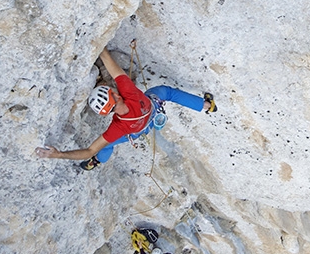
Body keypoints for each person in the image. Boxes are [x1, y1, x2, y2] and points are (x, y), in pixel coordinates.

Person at [36, 46, 216, 169]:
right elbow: (109, 62)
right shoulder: (129, 94)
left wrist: (59, 155)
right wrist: (99, 44)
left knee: (105, 146)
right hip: (151, 108)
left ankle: (96, 163)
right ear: (114, 94)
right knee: (166, 92)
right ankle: (207, 105)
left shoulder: (117, 127)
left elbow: (90, 150)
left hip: (138, 130)